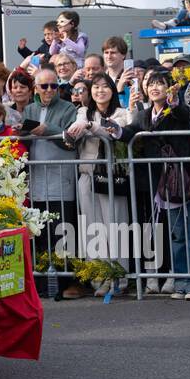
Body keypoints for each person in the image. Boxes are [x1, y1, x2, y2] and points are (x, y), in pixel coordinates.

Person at [120, 71, 190, 299]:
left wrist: (175, 102)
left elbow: (183, 115)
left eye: (161, 83)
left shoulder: (179, 110)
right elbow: (130, 131)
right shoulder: (144, 115)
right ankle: (181, 280)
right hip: (166, 183)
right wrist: (115, 130)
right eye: (151, 84)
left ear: (170, 87)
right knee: (177, 234)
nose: (155, 88)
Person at [64, 73, 132, 296]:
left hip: (112, 177)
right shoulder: (83, 111)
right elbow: (76, 128)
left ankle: (118, 277)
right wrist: (72, 132)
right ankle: (100, 276)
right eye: (95, 87)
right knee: (93, 229)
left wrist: (90, 125)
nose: (99, 91)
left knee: (115, 227)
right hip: (87, 176)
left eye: (105, 87)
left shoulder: (123, 113)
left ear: (113, 90)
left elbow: (110, 132)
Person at [23, 68, 84, 298]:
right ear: (36, 88)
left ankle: (67, 281)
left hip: (61, 178)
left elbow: (71, 138)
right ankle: (41, 282)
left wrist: (48, 130)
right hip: (38, 179)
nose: (49, 90)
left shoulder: (68, 108)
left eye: (53, 86)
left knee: (63, 232)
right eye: (44, 86)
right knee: (41, 233)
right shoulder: (29, 108)